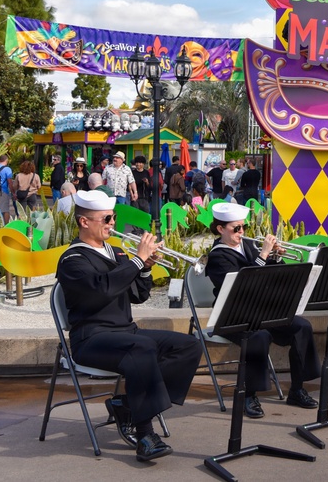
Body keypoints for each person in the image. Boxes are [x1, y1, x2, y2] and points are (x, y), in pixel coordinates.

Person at [55, 189, 202, 461]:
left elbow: (138, 295)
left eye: (113, 218)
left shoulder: (117, 253)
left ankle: (130, 406)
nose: (112, 223)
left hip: (125, 333)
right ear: (84, 222)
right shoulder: (72, 260)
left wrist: (145, 267)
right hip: (91, 338)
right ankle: (145, 435)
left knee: (189, 346)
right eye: (107, 218)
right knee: (142, 348)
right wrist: (135, 261)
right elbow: (102, 290)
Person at [204, 202, 320, 415]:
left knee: (302, 327)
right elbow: (244, 285)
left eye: (243, 227)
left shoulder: (248, 246)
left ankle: (297, 389)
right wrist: (264, 255)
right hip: (232, 315)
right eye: (236, 228)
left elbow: (274, 275)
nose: (242, 232)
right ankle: (249, 395)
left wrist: (275, 257)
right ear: (220, 229)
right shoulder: (217, 256)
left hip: (260, 310)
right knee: (259, 336)